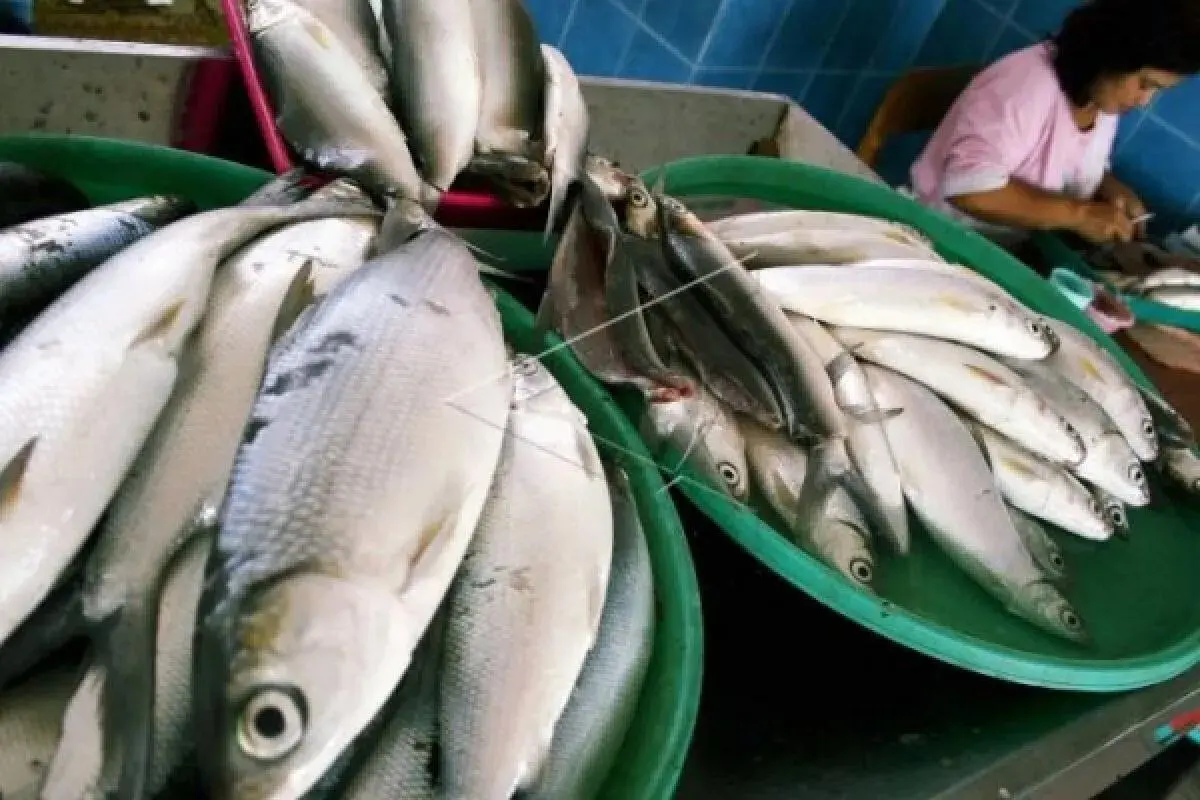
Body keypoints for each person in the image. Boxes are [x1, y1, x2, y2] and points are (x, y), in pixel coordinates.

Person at [909, 0, 1200, 247]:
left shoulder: (1099, 101)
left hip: (996, 252)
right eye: (1145, 84)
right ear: (1115, 55)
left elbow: (1062, 157)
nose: (1144, 100)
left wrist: (1108, 186)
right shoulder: (1028, 84)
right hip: (932, 240)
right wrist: (1081, 214)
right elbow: (970, 190)